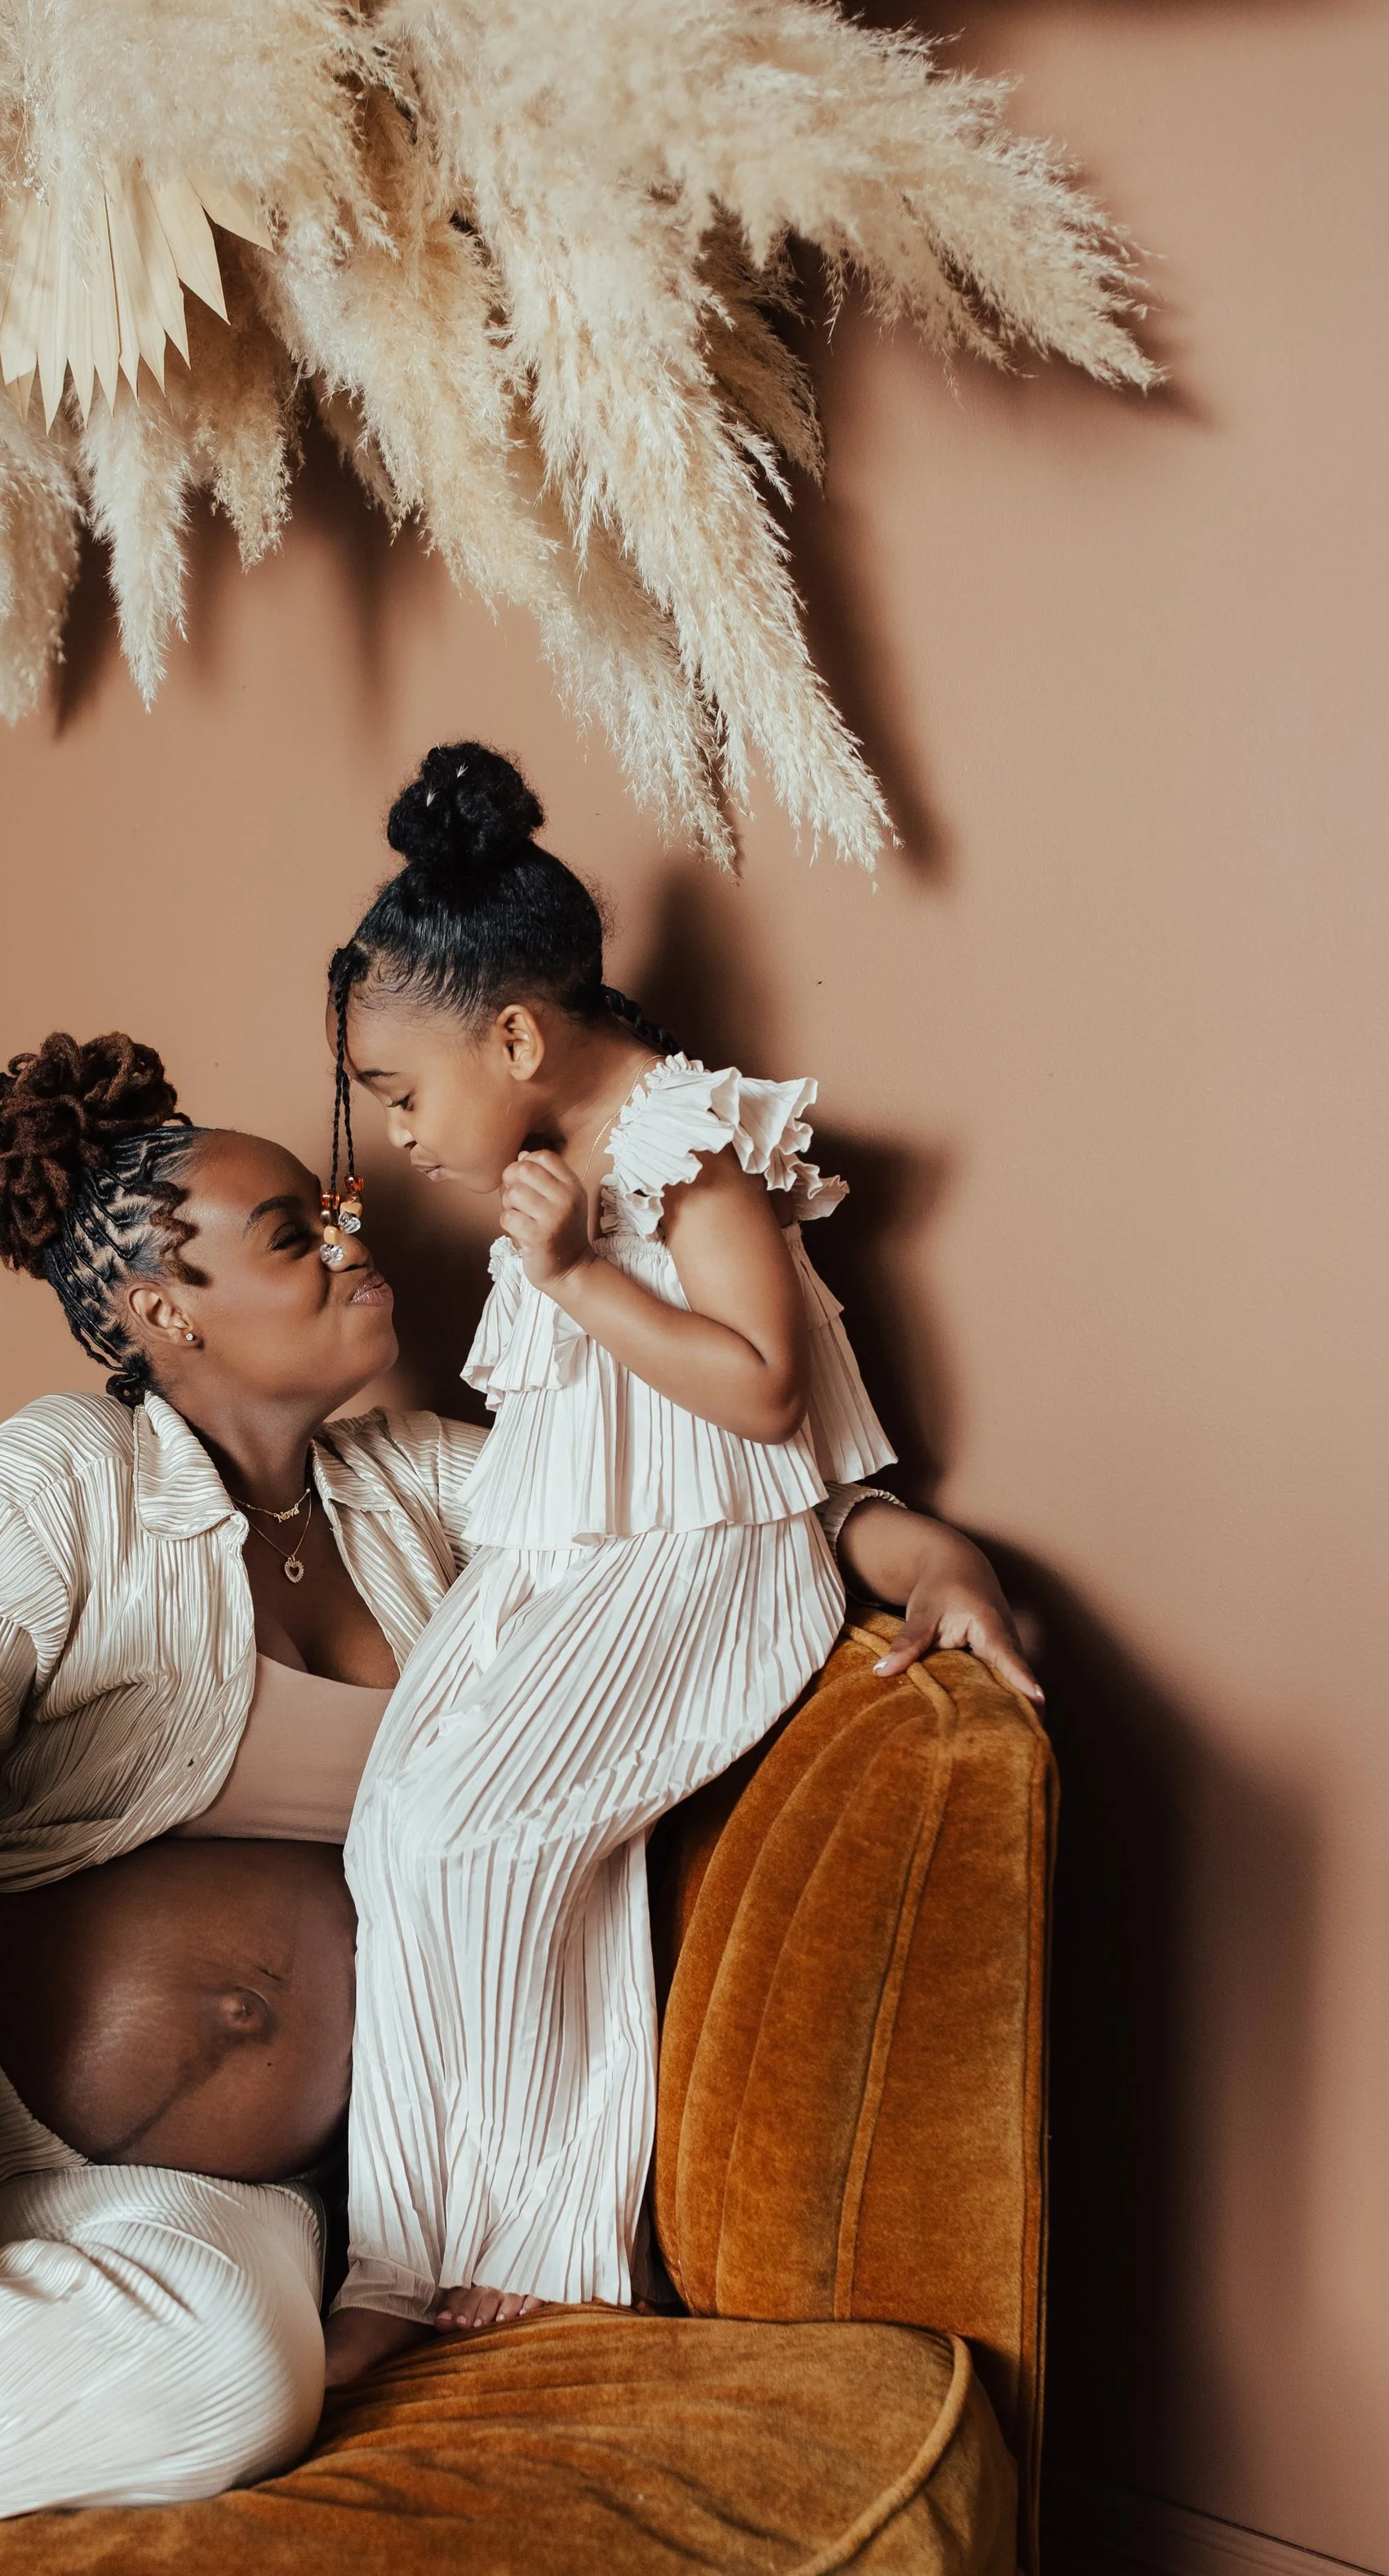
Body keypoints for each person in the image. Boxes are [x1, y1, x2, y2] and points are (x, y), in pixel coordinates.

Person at [0, 1029, 1036, 2576]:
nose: (350, 1237)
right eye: (290, 1233)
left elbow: (711, 1503)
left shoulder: (432, 1490)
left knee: (237, 2376)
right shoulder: (67, 1473)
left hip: (135, 2209)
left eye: (334, 1212)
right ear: (168, 1314)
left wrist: (922, 1554)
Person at [317, 744, 971, 2381]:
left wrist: (569, 1273)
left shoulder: (682, 1141)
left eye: (400, 1090)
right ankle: (404, 2246)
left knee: (480, 1843)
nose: (394, 1134)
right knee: (400, 1837)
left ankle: (537, 2245)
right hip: (565, 1567)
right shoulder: (550, 1170)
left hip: (700, 1573)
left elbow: (760, 1392)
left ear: (517, 1036)